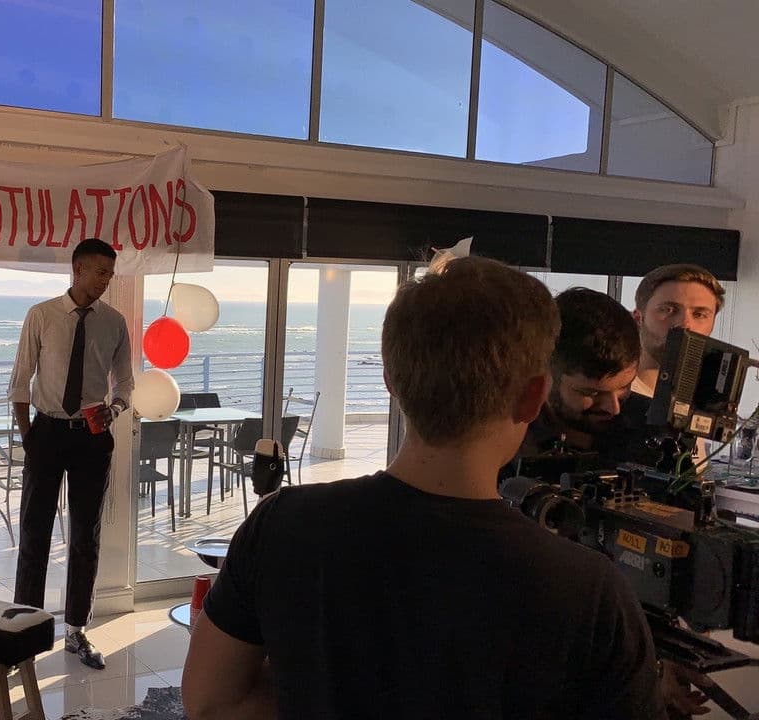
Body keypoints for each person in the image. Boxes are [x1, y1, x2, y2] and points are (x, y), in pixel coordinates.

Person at [183, 257, 663, 719]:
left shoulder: (283, 523)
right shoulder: (592, 590)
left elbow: (210, 702)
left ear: (391, 381)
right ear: (533, 396)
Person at [7, 237, 134, 671]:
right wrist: (28, 436)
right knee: (34, 532)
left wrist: (114, 409)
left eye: (110, 274)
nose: (106, 281)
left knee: (85, 536)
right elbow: (21, 378)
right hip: (46, 433)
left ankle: (77, 629)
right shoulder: (42, 315)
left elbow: (125, 382)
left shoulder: (114, 322)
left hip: (92, 437)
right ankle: (23, 631)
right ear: (77, 269)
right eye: (100, 272)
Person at [506, 287, 654, 475]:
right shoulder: (506, 436)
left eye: (625, 387)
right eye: (591, 393)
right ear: (545, 373)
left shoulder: (654, 431)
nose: (613, 408)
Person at [631, 264, 726, 398]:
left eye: (699, 314)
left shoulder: (712, 399)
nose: (685, 324)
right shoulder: (612, 399)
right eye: (669, 310)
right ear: (638, 318)